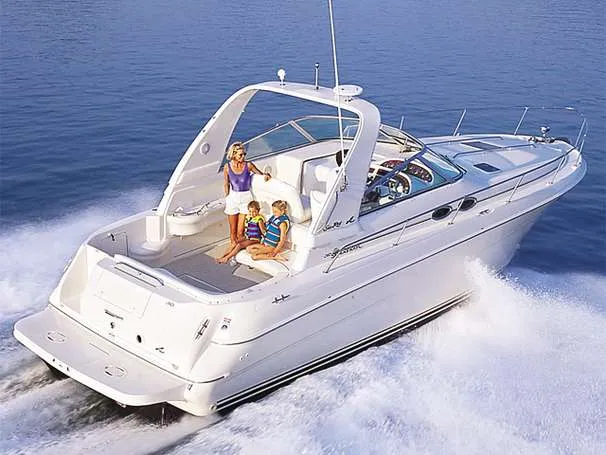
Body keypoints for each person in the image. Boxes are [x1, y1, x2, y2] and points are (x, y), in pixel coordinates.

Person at [223, 142, 270, 246]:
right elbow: (226, 183)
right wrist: (227, 197)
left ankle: (238, 249)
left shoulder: (248, 165)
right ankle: (233, 253)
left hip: (245, 199)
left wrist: (265, 175)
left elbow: (260, 175)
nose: (243, 156)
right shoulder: (227, 167)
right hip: (232, 199)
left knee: (240, 232)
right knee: (232, 233)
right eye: (240, 154)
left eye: (244, 154)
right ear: (233, 154)